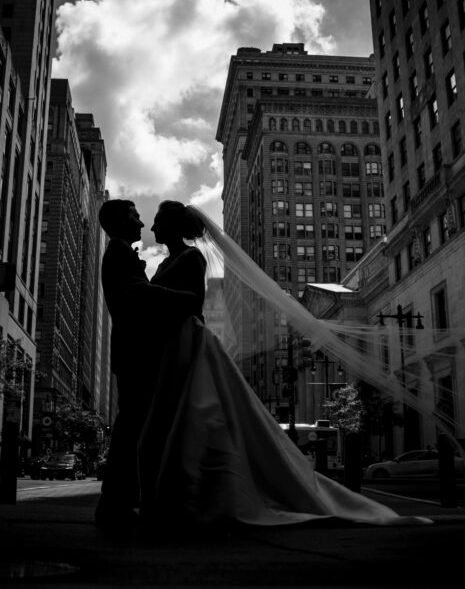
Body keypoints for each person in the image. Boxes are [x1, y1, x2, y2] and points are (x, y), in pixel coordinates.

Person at [137, 201, 432, 528]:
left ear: (175, 225)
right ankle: (177, 493)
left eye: (158, 221)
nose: (152, 229)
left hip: (188, 341)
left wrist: (148, 295)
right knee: (175, 415)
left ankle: (199, 493)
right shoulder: (166, 262)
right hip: (171, 344)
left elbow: (193, 301)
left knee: (197, 413)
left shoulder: (192, 257)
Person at [93, 199, 200, 534]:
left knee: (137, 428)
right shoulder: (119, 253)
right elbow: (137, 292)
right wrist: (184, 300)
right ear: (120, 222)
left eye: (147, 219)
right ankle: (116, 503)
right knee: (131, 429)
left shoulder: (126, 253)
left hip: (144, 352)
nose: (144, 225)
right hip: (135, 353)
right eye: (136, 217)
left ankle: (123, 501)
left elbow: (145, 294)